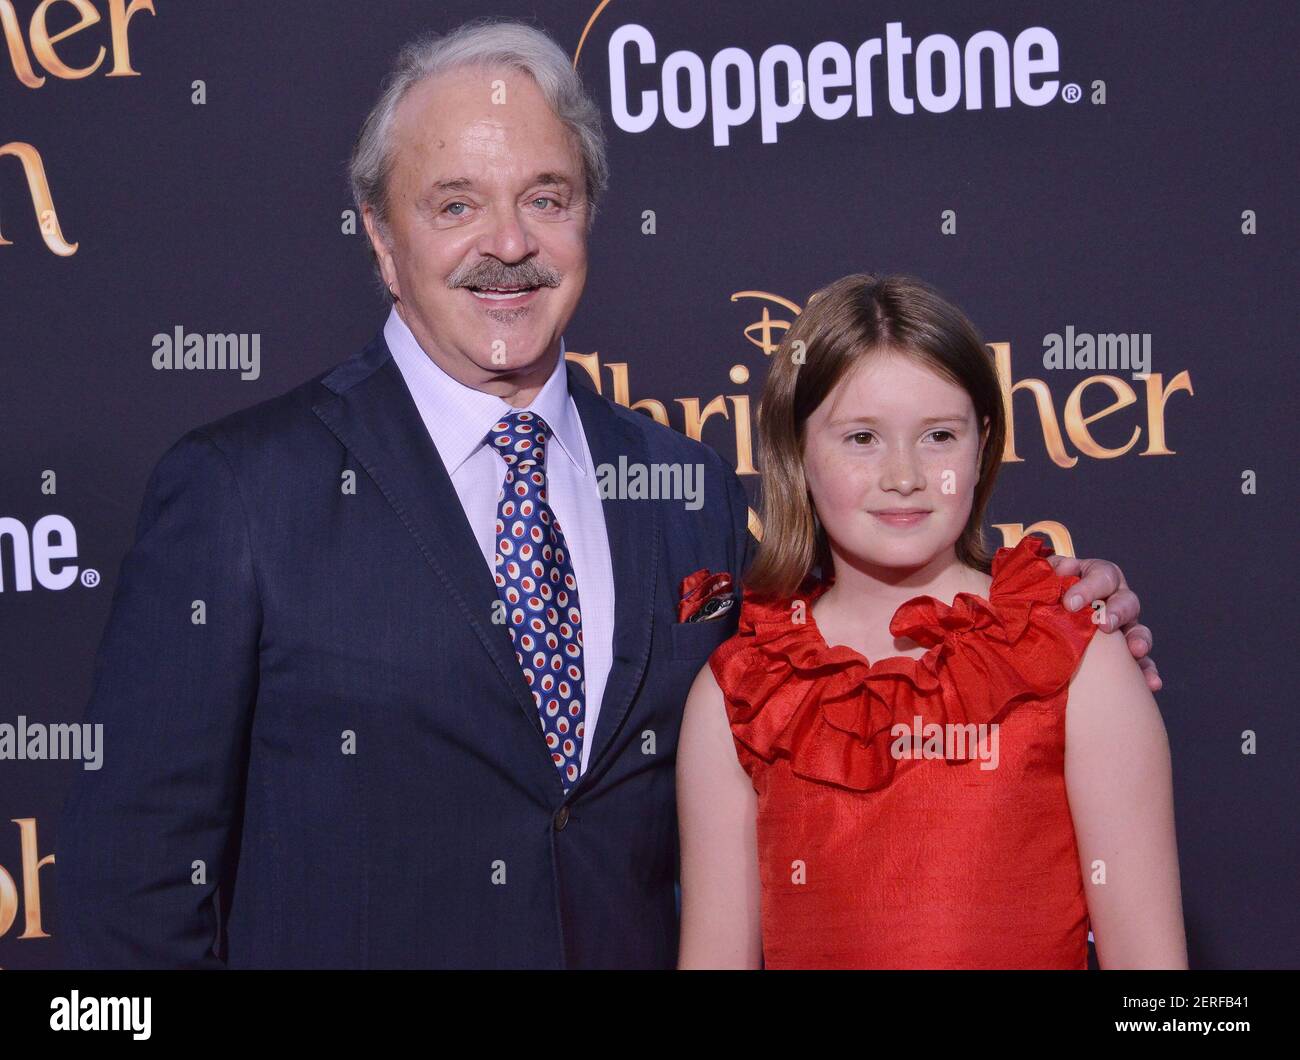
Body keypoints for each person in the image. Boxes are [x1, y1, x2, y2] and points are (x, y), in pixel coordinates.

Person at [56, 21, 1155, 969]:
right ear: (382, 241)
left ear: (589, 218)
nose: (508, 243)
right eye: (454, 205)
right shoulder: (244, 489)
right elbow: (129, 889)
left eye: (547, 196)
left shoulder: (684, 491)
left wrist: (1057, 617)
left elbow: (858, 652)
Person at [676, 274, 1185, 969]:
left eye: (939, 435)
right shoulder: (740, 693)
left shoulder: (1075, 656)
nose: (906, 475)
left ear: (983, 446)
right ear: (796, 455)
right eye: (861, 438)